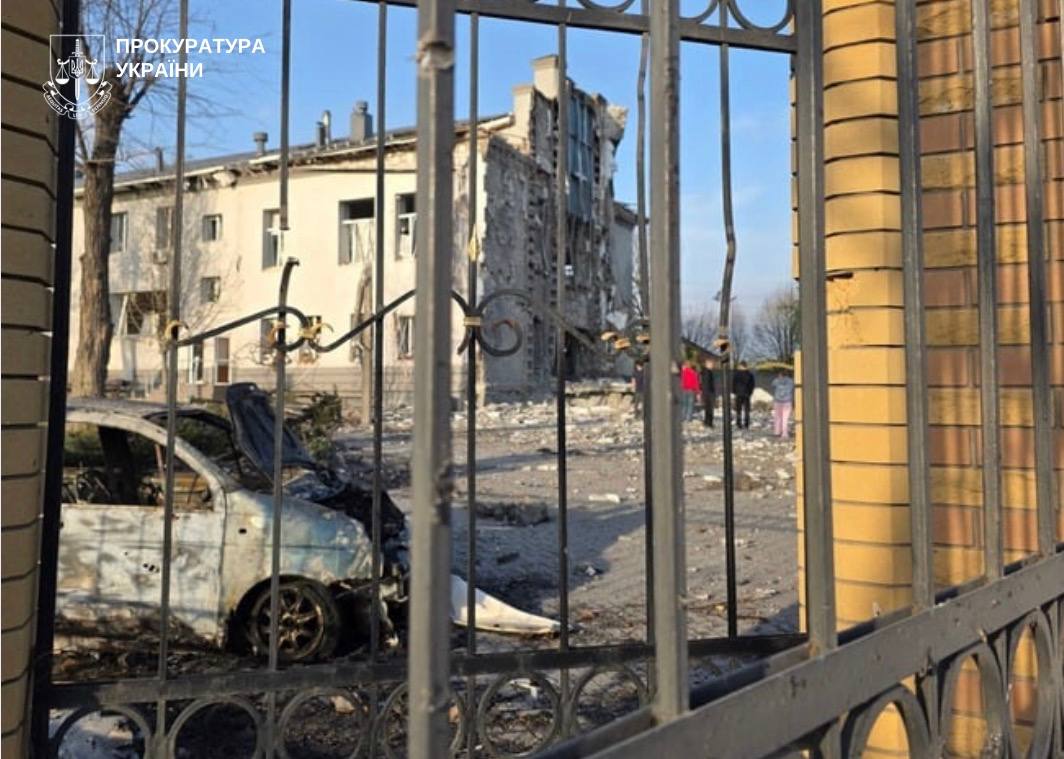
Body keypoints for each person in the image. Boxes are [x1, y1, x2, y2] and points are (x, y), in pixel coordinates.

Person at [771, 369, 795, 439]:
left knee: (777, 417)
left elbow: (772, 384)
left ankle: (777, 431)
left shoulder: (776, 380)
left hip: (778, 401)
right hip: (787, 401)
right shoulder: (791, 381)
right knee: (785, 418)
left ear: (780, 374)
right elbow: (792, 388)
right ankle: (784, 433)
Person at [732, 361, 755, 429]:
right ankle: (746, 424)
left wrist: (734, 392)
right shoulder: (750, 374)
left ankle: (739, 423)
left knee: (738, 410)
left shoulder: (736, 374)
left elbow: (733, 384)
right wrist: (750, 392)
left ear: (741, 366)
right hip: (746, 394)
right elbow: (752, 385)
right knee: (746, 410)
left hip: (739, 394)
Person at [700, 357, 717, 428]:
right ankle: (709, 422)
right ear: (707, 364)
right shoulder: (707, 372)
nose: (712, 365)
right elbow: (706, 383)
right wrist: (706, 393)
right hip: (708, 393)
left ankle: (708, 422)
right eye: (711, 364)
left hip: (708, 392)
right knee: (709, 408)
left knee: (708, 408)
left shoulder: (707, 372)